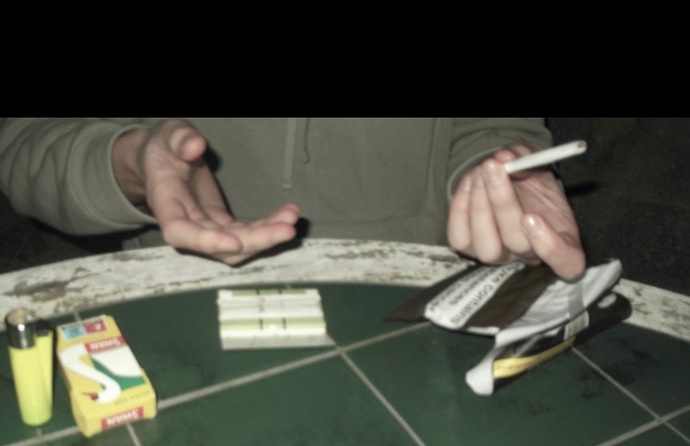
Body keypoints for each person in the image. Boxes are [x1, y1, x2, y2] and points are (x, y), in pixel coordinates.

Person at [0, 118, 586, 280]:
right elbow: (24, 142)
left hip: (417, 322)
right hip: (172, 308)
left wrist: (509, 176)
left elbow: (491, 126)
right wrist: (130, 162)